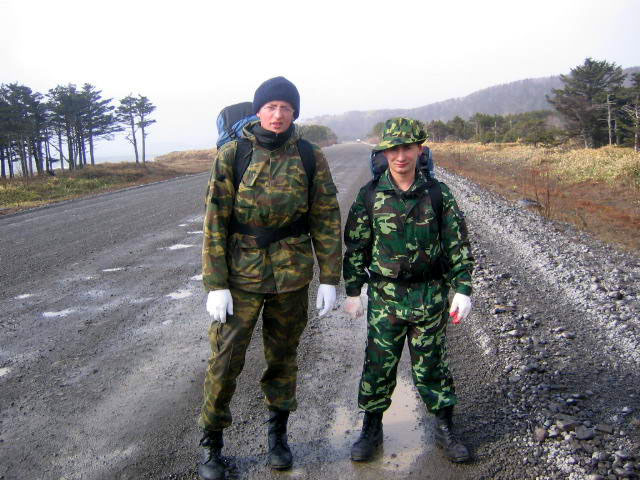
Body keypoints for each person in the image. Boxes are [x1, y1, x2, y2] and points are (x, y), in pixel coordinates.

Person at [198, 76, 342, 479]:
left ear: (295, 113)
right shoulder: (233, 154)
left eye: (286, 108)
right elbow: (214, 221)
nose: (278, 115)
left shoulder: (310, 155)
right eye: (271, 107)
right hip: (241, 276)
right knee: (225, 360)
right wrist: (216, 284)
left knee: (283, 358)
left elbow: (326, 216)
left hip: (291, 276)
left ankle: (278, 437)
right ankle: (211, 444)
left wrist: (330, 277)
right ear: (258, 111)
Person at [342, 117, 474, 463]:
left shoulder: (438, 193)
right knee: (378, 364)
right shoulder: (370, 195)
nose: (400, 156)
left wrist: (463, 288)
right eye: (393, 149)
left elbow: (457, 242)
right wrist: (353, 291)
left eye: (408, 148)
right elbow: (356, 247)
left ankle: (445, 427)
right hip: (385, 297)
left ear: (419, 150)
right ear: (384, 153)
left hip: (429, 294)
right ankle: (371, 428)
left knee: (432, 364)